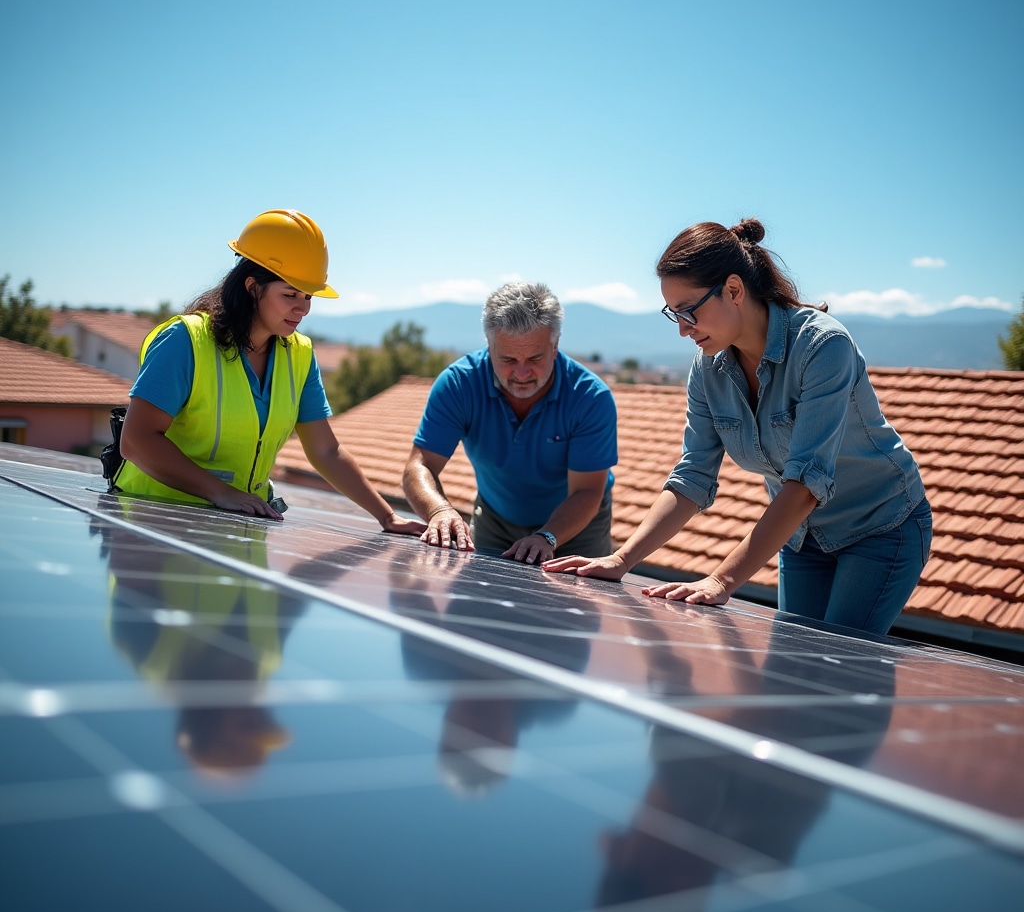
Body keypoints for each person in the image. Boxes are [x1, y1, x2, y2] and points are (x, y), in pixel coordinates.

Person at [545, 218, 931, 636]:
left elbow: (804, 485)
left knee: (839, 671)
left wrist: (722, 580)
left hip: (881, 527)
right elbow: (693, 476)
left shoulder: (823, 348)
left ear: (733, 290)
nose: (682, 329)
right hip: (801, 539)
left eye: (689, 311)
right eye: (673, 314)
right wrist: (621, 560)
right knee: (792, 671)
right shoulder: (707, 368)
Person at [115, 209, 425, 535]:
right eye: (290, 294)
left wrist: (387, 517)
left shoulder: (300, 355)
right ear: (252, 287)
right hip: (151, 526)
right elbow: (136, 441)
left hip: (240, 529)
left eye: (308, 296)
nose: (303, 308)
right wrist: (222, 493)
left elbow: (326, 451)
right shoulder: (185, 341)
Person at [402, 282, 618, 564]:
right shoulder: (458, 384)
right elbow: (419, 466)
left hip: (577, 525)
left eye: (535, 358)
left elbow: (588, 491)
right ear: (489, 346)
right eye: (507, 359)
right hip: (495, 518)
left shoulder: (590, 397)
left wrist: (547, 537)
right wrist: (439, 511)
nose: (522, 372)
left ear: (555, 346)